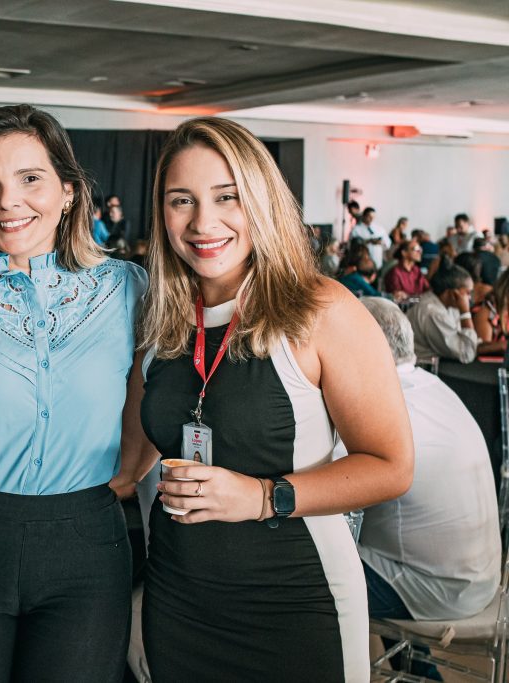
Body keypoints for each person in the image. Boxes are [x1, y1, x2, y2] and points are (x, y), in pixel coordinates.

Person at [118, 117, 412, 682]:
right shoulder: (160, 319)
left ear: (260, 198)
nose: (204, 222)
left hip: (297, 602)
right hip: (179, 599)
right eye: (182, 201)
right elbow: (131, 463)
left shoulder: (320, 309)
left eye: (225, 197)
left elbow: (392, 466)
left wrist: (260, 496)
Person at [0, 104, 146, 683]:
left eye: (30, 179)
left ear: (68, 191)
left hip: (88, 535)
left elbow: (152, 388)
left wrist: (132, 472)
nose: (9, 202)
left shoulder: (127, 289)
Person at [345, 297, 499, 680]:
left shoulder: (381, 405)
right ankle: (421, 674)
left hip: (439, 589)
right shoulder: (432, 387)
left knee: (313, 566)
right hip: (483, 580)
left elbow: (331, 484)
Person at [406, 258, 505, 363]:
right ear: (453, 294)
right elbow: (466, 354)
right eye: (467, 293)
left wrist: (499, 346)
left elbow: (469, 343)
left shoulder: (449, 307)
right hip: (432, 369)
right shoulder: (432, 313)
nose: (470, 298)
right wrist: (465, 313)